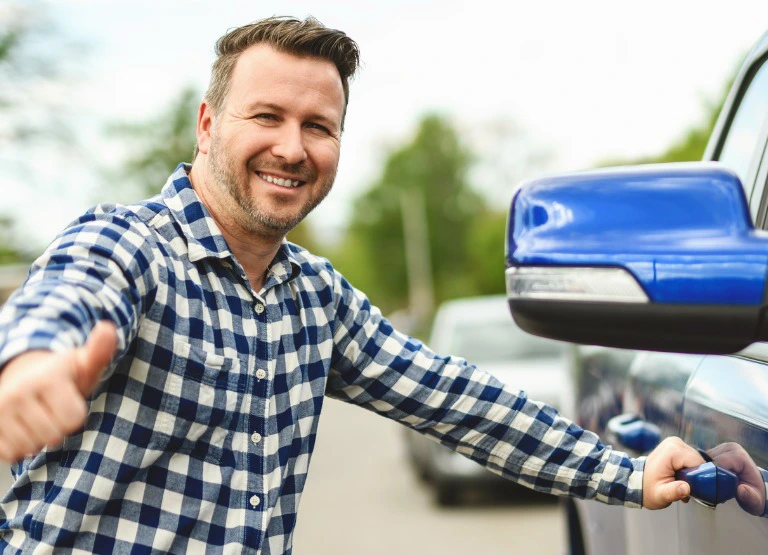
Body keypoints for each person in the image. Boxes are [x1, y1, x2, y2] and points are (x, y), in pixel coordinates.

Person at [0, 16, 704, 553]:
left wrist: (627, 474)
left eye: (319, 126)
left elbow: (458, 399)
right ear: (209, 125)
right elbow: (69, 297)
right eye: (267, 116)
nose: (292, 147)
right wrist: (31, 365)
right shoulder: (128, 242)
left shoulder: (315, 297)